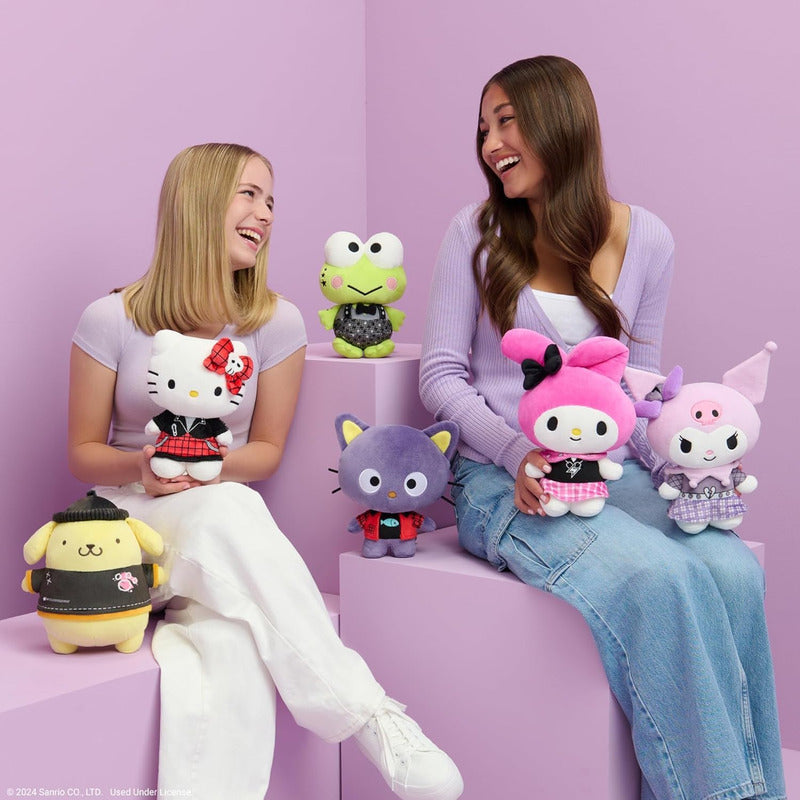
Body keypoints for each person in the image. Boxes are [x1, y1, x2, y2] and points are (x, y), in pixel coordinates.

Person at [419, 56, 785, 800]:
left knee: (734, 571)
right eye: (483, 129)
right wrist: (517, 454)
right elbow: (441, 377)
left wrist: (684, 465)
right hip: (502, 479)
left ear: (560, 121)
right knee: (656, 577)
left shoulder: (648, 238)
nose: (491, 144)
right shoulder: (475, 232)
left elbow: (637, 386)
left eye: (506, 122)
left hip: (613, 471)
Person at [68, 142, 463, 800]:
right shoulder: (110, 317)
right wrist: (144, 465)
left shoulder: (276, 322)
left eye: (271, 200)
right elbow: (82, 450)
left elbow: (266, 451)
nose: (266, 214)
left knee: (231, 647)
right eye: (249, 194)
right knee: (231, 509)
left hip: (216, 529)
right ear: (199, 203)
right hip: (126, 523)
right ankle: (372, 718)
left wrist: (202, 465)